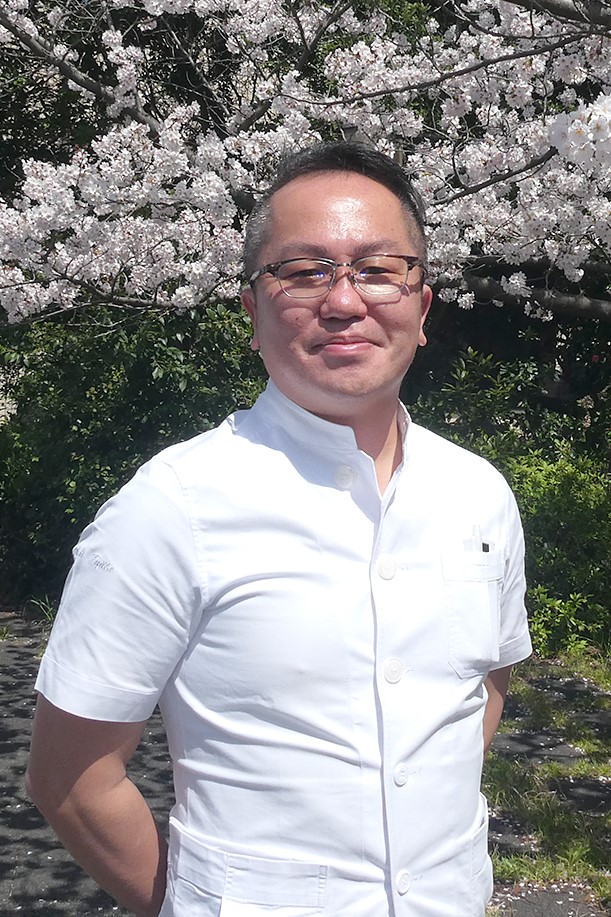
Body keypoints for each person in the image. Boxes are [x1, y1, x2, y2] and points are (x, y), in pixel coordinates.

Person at [27, 142, 531, 917]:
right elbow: (71, 777)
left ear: (422, 306)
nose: (343, 301)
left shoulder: (478, 493)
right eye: (303, 271)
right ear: (252, 313)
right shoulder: (173, 506)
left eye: (378, 268)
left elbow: (482, 685)